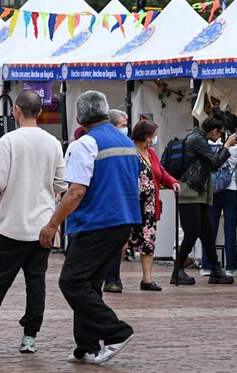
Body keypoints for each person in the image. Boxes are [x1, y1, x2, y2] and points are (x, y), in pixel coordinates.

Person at [0, 90, 67, 353]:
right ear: (39, 112)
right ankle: (30, 337)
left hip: (11, 226)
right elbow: (61, 183)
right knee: (36, 283)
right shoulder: (52, 143)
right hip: (42, 227)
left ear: (15, 110)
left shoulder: (9, 141)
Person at [39, 90, 138, 365]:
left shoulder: (86, 143)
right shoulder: (125, 141)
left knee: (71, 281)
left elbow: (76, 192)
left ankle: (116, 331)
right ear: (105, 111)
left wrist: (52, 224)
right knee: (90, 284)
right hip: (123, 219)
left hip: (95, 221)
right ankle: (87, 345)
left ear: (80, 116)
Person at [171, 115, 236, 286]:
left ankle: (215, 270)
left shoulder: (199, 138)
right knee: (192, 232)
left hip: (198, 191)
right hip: (190, 192)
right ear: (214, 131)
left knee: (206, 233)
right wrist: (227, 146)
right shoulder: (197, 139)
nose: (220, 137)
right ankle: (177, 271)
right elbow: (214, 162)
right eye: (220, 134)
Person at [129, 119, 180, 291]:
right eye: (154, 135)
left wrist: (172, 182)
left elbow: (162, 172)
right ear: (145, 136)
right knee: (123, 241)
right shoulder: (130, 152)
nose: (156, 137)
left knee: (148, 242)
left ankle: (147, 279)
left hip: (149, 207)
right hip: (132, 206)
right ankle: (113, 278)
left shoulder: (151, 153)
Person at [202, 111, 237, 278]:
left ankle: (207, 266)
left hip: (212, 190)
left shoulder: (207, 145)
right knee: (230, 228)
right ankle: (231, 266)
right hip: (232, 191)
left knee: (210, 229)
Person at [103, 108, 130, 293]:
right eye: (123, 125)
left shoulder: (128, 144)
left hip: (123, 201)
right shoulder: (98, 143)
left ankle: (113, 278)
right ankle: (109, 278)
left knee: (118, 244)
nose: (126, 129)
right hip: (107, 201)